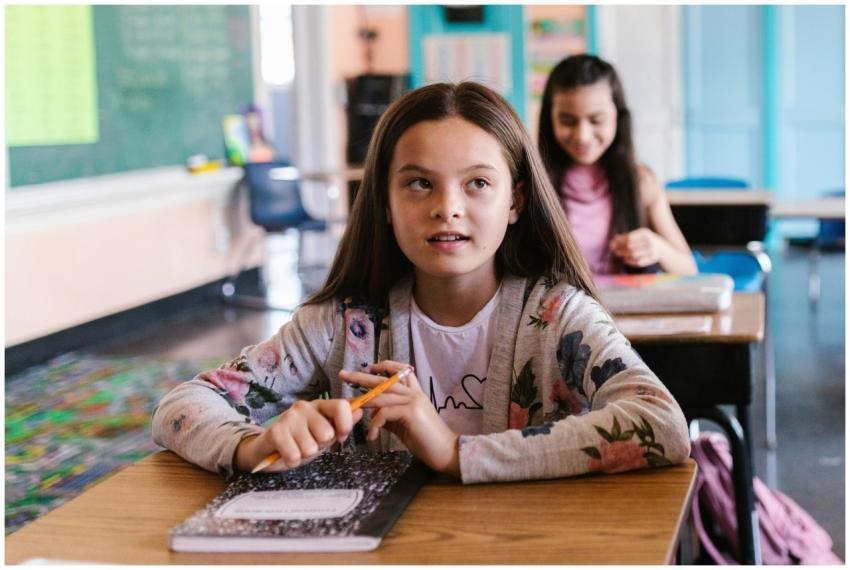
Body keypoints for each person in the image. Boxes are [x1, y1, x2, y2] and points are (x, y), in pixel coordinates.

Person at [152, 82, 690, 484]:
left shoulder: (559, 318)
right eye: (418, 184)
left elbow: (662, 423)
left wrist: (455, 453)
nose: (447, 209)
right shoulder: (342, 325)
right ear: (385, 203)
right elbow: (181, 407)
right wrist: (254, 445)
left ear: (515, 202)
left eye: (477, 183)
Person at [538, 54, 697, 276]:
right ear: (550, 118)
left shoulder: (642, 182)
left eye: (596, 120)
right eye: (567, 121)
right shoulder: (533, 182)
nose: (583, 136)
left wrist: (658, 248)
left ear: (618, 117)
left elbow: (689, 270)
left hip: (625, 309)